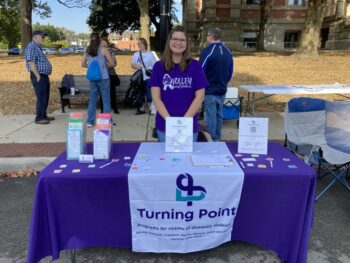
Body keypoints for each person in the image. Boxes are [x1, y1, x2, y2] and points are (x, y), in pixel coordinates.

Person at [149, 25, 208, 142]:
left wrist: (184, 122)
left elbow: (200, 96)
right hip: (165, 126)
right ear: (169, 41)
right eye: (175, 39)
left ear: (187, 43)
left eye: (182, 40)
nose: (178, 43)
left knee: (188, 159)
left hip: (188, 126)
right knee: (166, 159)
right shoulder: (158, 67)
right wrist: (170, 122)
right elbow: (156, 98)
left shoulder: (195, 66)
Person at [199, 27, 233, 141]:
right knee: (219, 114)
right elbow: (230, 71)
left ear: (211, 37)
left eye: (207, 36)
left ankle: (212, 138)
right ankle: (217, 137)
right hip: (222, 89)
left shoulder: (207, 51)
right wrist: (224, 83)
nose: (207, 38)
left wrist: (200, 88)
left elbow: (200, 71)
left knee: (210, 115)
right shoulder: (228, 51)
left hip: (210, 90)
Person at [81, 33, 115, 127]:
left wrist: (92, 67)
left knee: (92, 100)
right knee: (106, 100)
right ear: (99, 40)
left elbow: (82, 64)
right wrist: (103, 66)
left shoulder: (87, 50)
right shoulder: (103, 50)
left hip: (92, 79)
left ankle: (90, 121)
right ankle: (105, 121)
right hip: (103, 78)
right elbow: (112, 64)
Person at [25, 30, 54, 125]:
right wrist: (37, 75)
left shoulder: (37, 47)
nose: (44, 38)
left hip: (43, 75)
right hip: (38, 75)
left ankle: (43, 115)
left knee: (45, 96)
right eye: (42, 36)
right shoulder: (31, 46)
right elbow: (30, 61)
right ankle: (39, 118)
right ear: (35, 37)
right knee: (41, 97)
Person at [131, 38, 158, 115]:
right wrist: (135, 65)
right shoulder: (136, 54)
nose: (139, 45)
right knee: (140, 93)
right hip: (139, 77)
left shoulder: (150, 54)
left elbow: (155, 66)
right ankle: (141, 108)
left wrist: (147, 68)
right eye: (138, 44)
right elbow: (132, 64)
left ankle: (151, 108)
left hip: (147, 77)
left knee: (149, 94)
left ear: (145, 44)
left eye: (141, 43)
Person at [99, 37, 120, 114]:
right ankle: (102, 109)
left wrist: (104, 65)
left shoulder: (111, 51)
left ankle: (115, 108)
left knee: (112, 93)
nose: (104, 44)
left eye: (105, 42)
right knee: (102, 93)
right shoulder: (98, 52)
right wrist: (108, 64)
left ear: (107, 43)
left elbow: (114, 64)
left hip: (111, 75)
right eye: (102, 43)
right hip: (102, 75)